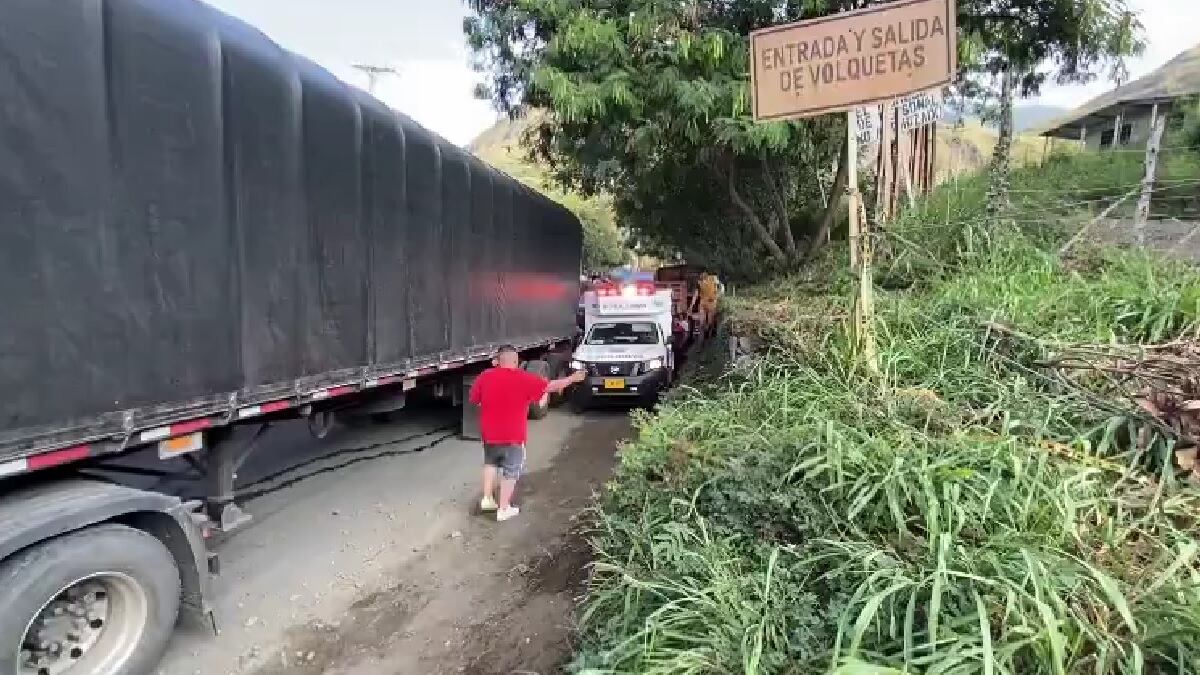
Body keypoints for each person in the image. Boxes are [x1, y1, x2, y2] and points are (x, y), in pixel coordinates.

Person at [468, 346, 585, 521]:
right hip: (513, 436)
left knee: (491, 462)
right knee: (511, 471)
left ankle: (487, 500)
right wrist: (572, 378)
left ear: (498, 361)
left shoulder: (485, 376)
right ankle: (503, 508)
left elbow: (475, 400)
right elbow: (550, 386)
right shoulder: (524, 378)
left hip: (489, 434)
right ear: (516, 362)